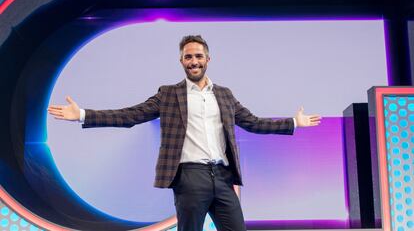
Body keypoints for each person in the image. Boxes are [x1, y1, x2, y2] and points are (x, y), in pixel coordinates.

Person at [48, 35, 321, 231]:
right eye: (188, 57)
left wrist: (293, 123)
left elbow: (253, 122)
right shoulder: (168, 94)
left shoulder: (224, 95)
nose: (194, 61)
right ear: (181, 61)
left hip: (224, 177)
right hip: (190, 177)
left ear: (208, 59)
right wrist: (83, 114)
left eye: (198, 56)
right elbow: (130, 115)